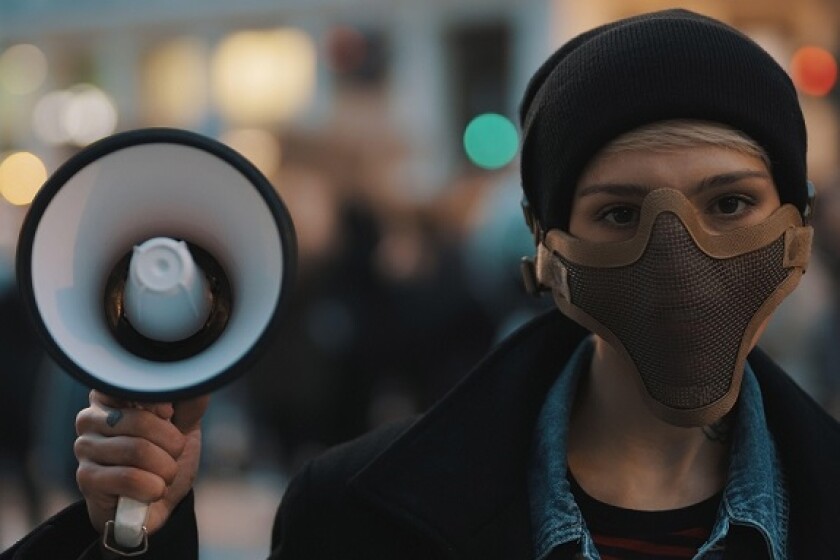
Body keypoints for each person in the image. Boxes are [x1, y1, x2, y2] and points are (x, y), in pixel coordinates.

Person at [4, 8, 840, 559]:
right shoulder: (352, 520)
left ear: (796, 227)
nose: (681, 260)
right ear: (548, 248)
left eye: (730, 202)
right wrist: (133, 536)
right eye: (620, 214)